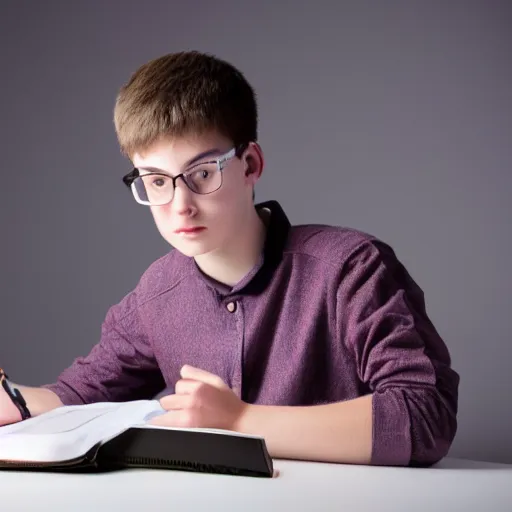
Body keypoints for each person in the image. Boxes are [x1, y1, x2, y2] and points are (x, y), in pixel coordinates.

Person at [0, 50, 459, 467]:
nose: (181, 204)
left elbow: (424, 415)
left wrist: (240, 420)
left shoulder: (349, 268)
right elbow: (79, 395)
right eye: (156, 181)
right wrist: (13, 397)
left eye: (201, 173)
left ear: (251, 164)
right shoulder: (157, 291)